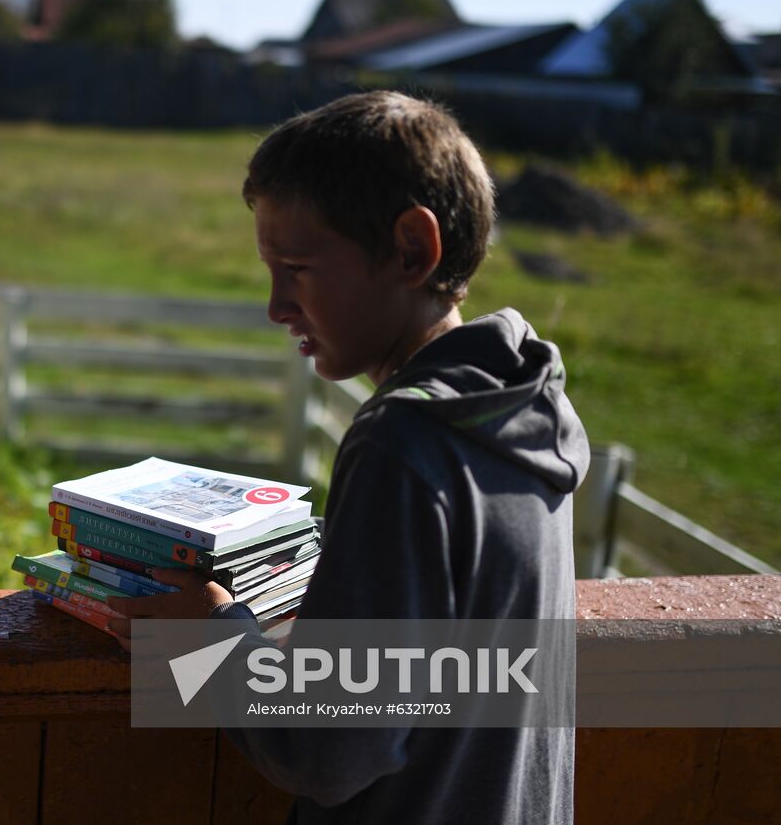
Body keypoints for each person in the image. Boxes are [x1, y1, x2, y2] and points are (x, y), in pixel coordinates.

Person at [108, 92, 588, 824]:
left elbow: (325, 751)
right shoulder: (519, 408)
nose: (276, 304)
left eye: (296, 267)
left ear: (410, 250)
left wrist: (206, 638)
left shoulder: (403, 440)